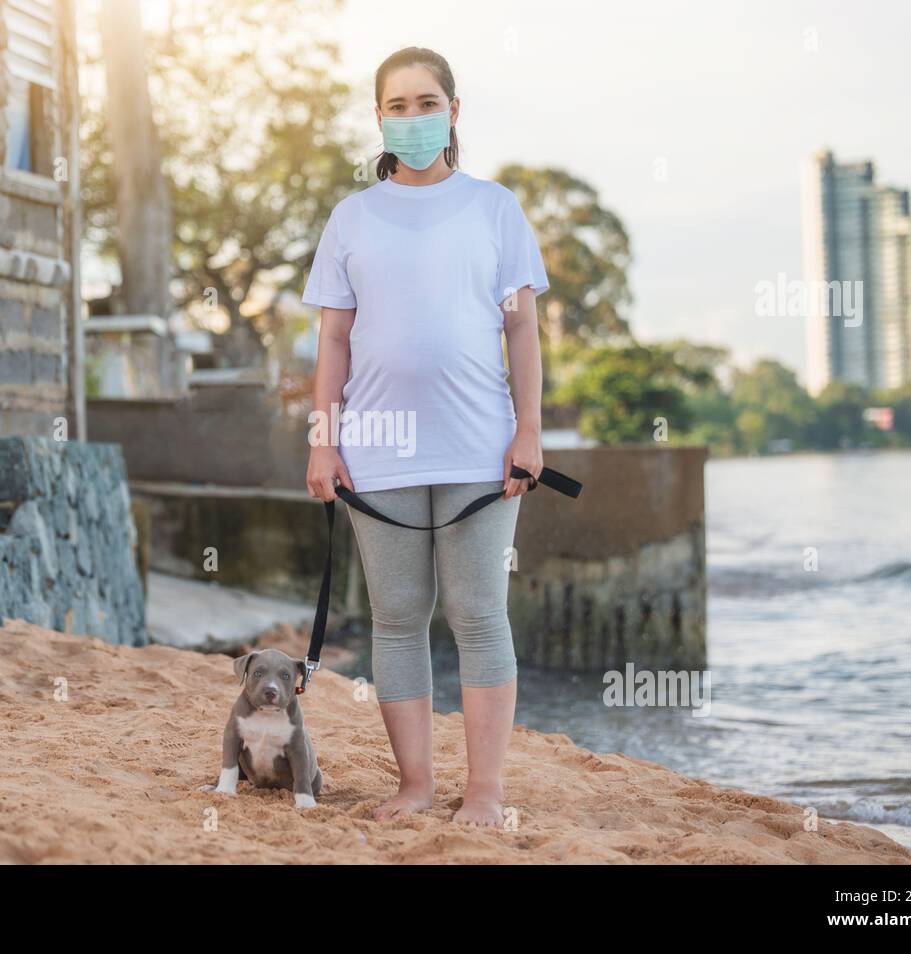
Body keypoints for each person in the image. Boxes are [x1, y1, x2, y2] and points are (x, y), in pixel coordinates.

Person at [301, 46, 551, 828]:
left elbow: (523, 333)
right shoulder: (351, 217)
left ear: (453, 111)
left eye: (426, 101)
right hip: (376, 448)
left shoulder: (495, 209)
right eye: (397, 106)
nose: (413, 117)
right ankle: (414, 787)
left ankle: (484, 794)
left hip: (480, 446)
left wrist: (529, 432)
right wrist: (322, 441)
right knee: (399, 616)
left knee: (479, 614)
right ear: (379, 118)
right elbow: (333, 344)